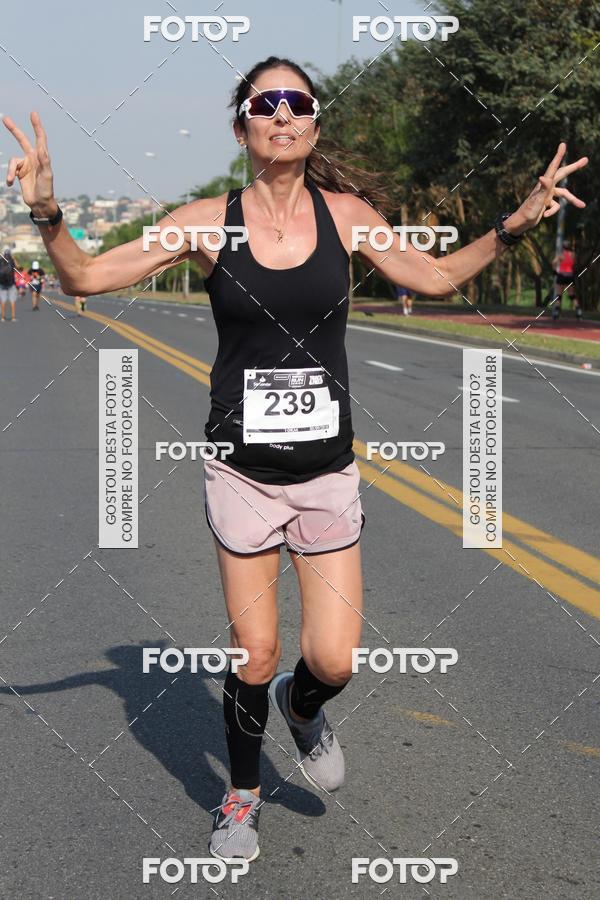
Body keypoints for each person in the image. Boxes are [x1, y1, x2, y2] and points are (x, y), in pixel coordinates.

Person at [3, 62, 588, 864]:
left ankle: (302, 710)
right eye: (265, 104)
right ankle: (240, 796)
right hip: (242, 471)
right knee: (257, 652)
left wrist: (512, 224)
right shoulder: (207, 222)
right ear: (241, 126)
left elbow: (440, 274)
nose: (283, 114)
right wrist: (45, 211)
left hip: (326, 473)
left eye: (298, 103)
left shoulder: (346, 217)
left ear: (314, 124)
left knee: (332, 660)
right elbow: (84, 276)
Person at [551, 240, 581, 321]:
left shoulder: (560, 255)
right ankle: (578, 312)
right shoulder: (573, 255)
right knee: (572, 295)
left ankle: (556, 313)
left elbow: (553, 263)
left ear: (563, 247)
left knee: (559, 295)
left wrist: (554, 271)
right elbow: (574, 264)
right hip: (570, 276)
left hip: (561, 275)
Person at [0, 247, 18, 322]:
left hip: (2, 284)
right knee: (12, 301)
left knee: (2, 301)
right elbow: (18, 267)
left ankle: (3, 318)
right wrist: (14, 259)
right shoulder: (12, 261)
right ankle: (13, 317)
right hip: (11, 284)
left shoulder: (0, 261)